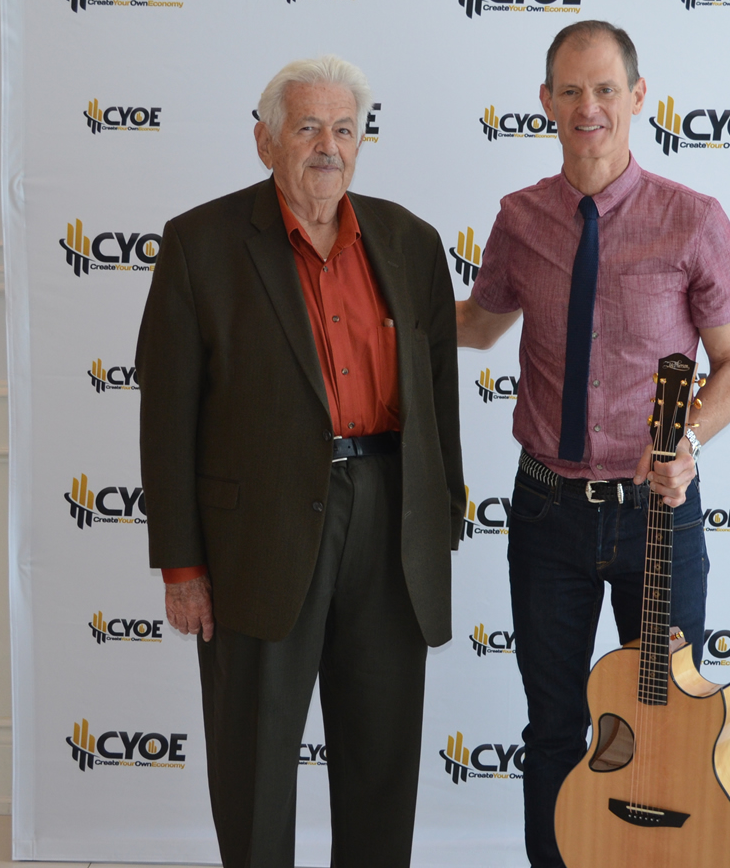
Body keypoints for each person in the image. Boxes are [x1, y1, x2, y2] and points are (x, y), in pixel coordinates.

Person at [136, 55, 463, 868]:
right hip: (260, 535)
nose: (328, 146)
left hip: (390, 521)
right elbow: (167, 416)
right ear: (265, 141)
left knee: (382, 758)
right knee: (254, 762)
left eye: (344, 129)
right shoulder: (200, 244)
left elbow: (439, 399)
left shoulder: (411, 241)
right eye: (308, 127)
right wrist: (182, 564)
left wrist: (439, 523)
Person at [454, 20, 730, 868]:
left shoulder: (693, 220)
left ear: (637, 97)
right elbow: (478, 324)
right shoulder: (520, 218)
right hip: (546, 510)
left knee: (668, 728)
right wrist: (382, 306)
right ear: (546, 102)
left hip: (658, 515)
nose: (589, 106)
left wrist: (689, 440)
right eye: (571, 90)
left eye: (606, 89)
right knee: (554, 727)